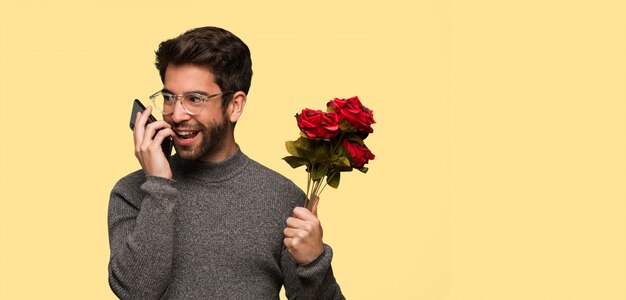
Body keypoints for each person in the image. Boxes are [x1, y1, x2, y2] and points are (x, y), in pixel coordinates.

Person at [107, 26, 345, 299]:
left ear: (235, 106)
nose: (177, 114)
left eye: (195, 99)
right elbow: (136, 292)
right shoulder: (132, 192)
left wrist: (314, 263)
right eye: (170, 98)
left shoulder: (282, 199)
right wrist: (158, 185)